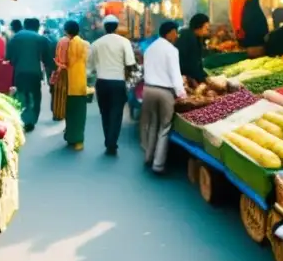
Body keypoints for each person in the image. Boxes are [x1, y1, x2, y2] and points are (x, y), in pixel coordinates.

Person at [141, 22, 186, 174]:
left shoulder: (150, 48)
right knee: (164, 128)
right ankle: (158, 165)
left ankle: (148, 157)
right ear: (171, 32)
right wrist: (181, 94)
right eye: (176, 32)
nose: (177, 36)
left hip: (148, 89)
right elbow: (175, 74)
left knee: (152, 124)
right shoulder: (171, 50)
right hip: (164, 91)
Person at [88, 14, 136, 155]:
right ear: (116, 27)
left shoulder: (96, 44)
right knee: (116, 113)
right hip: (118, 82)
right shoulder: (124, 42)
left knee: (105, 112)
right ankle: (112, 142)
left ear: (104, 27)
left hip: (101, 82)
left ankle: (108, 139)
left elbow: (90, 67)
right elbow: (130, 63)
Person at [6, 17, 50, 131]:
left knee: (22, 95)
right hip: (35, 73)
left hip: (19, 72)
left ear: (25, 25)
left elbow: (8, 57)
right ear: (37, 27)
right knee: (35, 96)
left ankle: (24, 119)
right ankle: (31, 120)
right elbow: (47, 58)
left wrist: (15, 61)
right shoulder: (41, 39)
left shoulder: (15, 37)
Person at [62, 21, 90, 151]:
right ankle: (78, 141)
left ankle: (70, 136)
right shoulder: (85, 45)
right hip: (80, 85)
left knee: (70, 113)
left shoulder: (65, 45)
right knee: (80, 114)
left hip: (68, 84)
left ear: (66, 31)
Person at [178, 13, 210, 84]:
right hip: (181, 76)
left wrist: (205, 76)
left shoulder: (193, 36)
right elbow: (192, 64)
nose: (207, 30)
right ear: (198, 26)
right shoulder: (189, 38)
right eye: (206, 28)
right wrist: (204, 80)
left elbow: (197, 63)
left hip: (185, 74)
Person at [51, 28, 71, 121]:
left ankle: (59, 113)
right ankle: (64, 113)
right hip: (68, 70)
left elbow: (58, 56)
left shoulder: (62, 40)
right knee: (65, 92)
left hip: (61, 69)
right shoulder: (74, 42)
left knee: (59, 93)